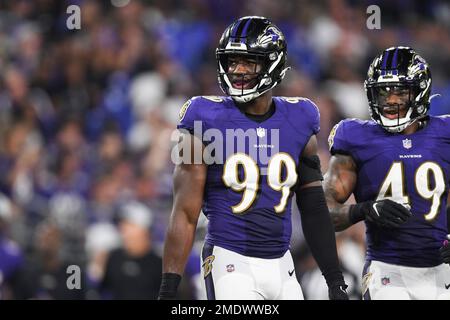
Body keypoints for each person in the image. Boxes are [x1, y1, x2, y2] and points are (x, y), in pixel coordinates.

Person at [158, 16, 348, 300]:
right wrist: (168, 289)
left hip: (283, 266)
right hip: (230, 262)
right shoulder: (202, 117)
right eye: (232, 61)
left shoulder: (300, 117)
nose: (238, 70)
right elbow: (185, 213)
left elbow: (313, 208)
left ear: (273, 64)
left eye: (249, 61)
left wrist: (334, 280)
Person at [324, 46, 450, 300]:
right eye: (384, 92)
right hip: (387, 270)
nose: (391, 101)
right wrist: (364, 209)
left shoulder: (445, 133)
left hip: (442, 270)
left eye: (400, 92)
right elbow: (321, 213)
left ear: (420, 91)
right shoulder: (356, 137)